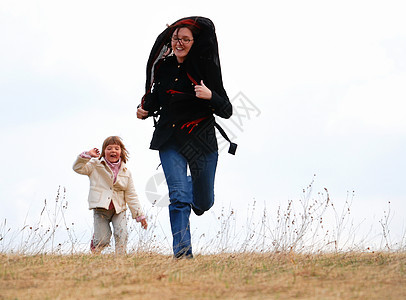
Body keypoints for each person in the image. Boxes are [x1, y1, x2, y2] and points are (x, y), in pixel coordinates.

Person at [137, 16, 236, 259]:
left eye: (185, 39)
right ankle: (182, 255)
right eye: (175, 38)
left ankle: (193, 190)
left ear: (194, 42)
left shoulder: (205, 69)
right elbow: (156, 97)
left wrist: (209, 95)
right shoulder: (163, 67)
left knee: (203, 203)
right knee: (178, 198)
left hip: (201, 142)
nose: (179, 43)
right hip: (170, 139)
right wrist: (144, 109)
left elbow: (227, 110)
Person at [73, 136, 148, 254]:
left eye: (116, 148)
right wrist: (87, 155)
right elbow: (78, 168)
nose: (113, 151)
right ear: (104, 152)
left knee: (121, 233)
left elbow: (131, 194)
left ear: (121, 152)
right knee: (103, 238)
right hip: (101, 208)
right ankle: (96, 246)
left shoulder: (126, 172)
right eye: (109, 148)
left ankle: (120, 259)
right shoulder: (95, 165)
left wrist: (139, 215)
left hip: (119, 209)